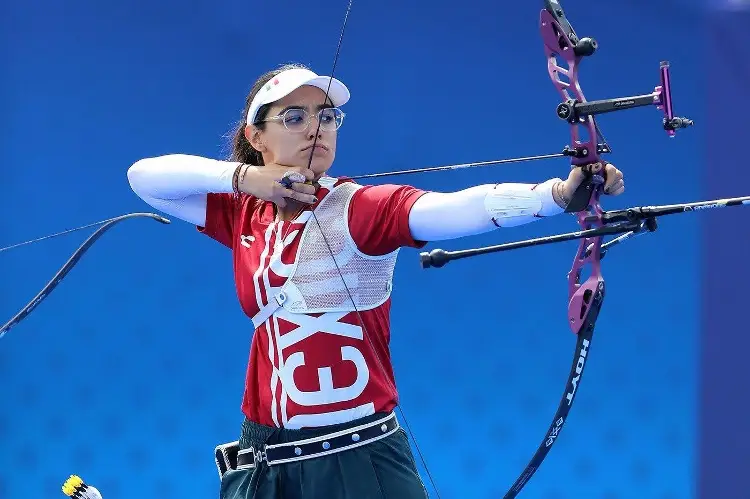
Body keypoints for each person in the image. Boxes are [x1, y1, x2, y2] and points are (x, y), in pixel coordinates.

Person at [127, 63, 625, 499]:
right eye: (293, 117)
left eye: (326, 116)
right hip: (266, 463)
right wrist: (247, 179)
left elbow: (451, 209)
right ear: (256, 138)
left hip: (358, 459)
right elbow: (145, 177)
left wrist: (556, 195)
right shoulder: (243, 212)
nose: (315, 129)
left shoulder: (358, 209)